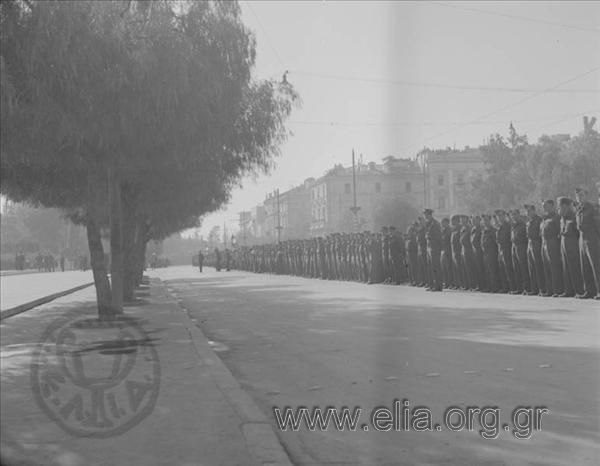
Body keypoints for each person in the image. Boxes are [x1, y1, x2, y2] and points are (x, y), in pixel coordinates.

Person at [574, 187, 600, 299]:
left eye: (581, 195)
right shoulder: (579, 209)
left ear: (586, 196)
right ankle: (589, 291)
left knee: (596, 266)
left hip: (592, 238)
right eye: (577, 196)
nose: (579, 197)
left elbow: (598, 225)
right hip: (582, 239)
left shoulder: (592, 208)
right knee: (585, 266)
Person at [557, 197, 583, 297]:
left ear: (566, 206)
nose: (559, 209)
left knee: (574, 267)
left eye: (561, 206)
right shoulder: (562, 218)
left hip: (572, 243)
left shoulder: (574, 216)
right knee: (566, 268)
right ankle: (568, 290)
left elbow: (578, 232)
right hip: (564, 243)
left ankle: (578, 290)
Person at [540, 199, 563, 297]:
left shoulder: (556, 217)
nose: (544, 207)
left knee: (554, 267)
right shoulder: (544, 218)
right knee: (547, 267)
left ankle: (557, 290)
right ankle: (549, 290)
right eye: (543, 206)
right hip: (544, 243)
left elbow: (559, 231)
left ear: (552, 206)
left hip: (553, 242)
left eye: (546, 205)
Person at [525, 204, 545, 296]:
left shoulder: (539, 220)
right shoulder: (529, 222)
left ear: (534, 210)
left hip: (537, 243)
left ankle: (542, 288)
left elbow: (540, 234)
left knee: (538, 267)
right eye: (526, 211)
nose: (527, 213)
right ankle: (534, 289)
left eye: (529, 211)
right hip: (530, 243)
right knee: (531, 268)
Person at [424, 209, 443, 291]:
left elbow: (438, 236)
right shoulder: (428, 223)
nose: (425, 216)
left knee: (436, 267)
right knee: (430, 267)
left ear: (430, 214)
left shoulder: (435, 223)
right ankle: (432, 285)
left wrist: (437, 247)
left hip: (434, 247)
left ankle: (438, 285)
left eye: (426, 214)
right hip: (429, 247)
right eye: (425, 214)